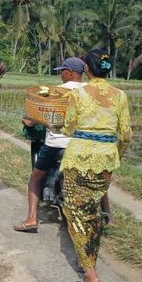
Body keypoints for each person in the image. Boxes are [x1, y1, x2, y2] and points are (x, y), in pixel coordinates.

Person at [60, 48, 131, 282]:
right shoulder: (120, 96)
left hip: (78, 159)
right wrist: (114, 155)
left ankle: (90, 275)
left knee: (75, 213)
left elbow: (68, 127)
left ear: (87, 69)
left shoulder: (78, 94)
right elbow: (126, 135)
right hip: (106, 162)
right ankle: (88, 260)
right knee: (92, 212)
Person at [14, 57, 86, 232]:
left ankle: (32, 219)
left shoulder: (56, 92)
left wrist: (29, 120)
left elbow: (34, 119)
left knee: (35, 177)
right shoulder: (90, 91)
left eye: (63, 71)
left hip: (56, 144)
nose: (61, 75)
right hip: (80, 145)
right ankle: (104, 215)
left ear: (70, 72)